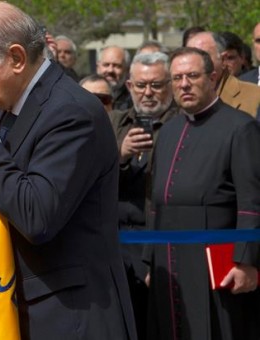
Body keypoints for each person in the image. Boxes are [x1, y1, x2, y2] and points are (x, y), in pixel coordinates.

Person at [0, 2, 136, 339]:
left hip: (71, 318)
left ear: (17, 58)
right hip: (22, 309)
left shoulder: (70, 111)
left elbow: (37, 215)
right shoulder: (8, 107)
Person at [146, 46, 260, 340]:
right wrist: (149, 261)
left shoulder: (241, 128)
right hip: (168, 261)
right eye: (177, 78)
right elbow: (154, 202)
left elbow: (252, 202)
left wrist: (245, 260)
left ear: (213, 77)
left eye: (193, 76)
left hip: (217, 261)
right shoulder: (168, 131)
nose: (184, 84)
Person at [108, 52, 178, 340]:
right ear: (128, 85)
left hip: (160, 241)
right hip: (115, 244)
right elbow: (87, 177)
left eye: (156, 85)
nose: (147, 93)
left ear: (170, 85)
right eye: (140, 85)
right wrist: (120, 155)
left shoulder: (181, 125)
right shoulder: (112, 123)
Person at [187, 31, 260, 118]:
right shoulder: (183, 98)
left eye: (202, 57)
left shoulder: (255, 96)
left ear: (223, 59)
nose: (193, 65)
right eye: (189, 59)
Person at [97, 45, 133, 111]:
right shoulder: (87, 93)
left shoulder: (133, 99)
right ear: (98, 67)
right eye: (106, 65)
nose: (110, 70)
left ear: (127, 69)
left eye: (117, 66)